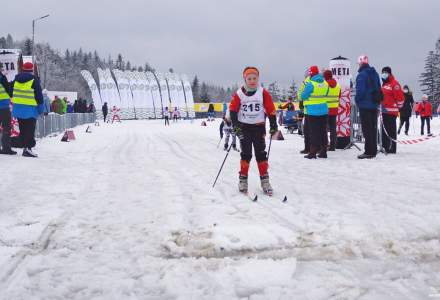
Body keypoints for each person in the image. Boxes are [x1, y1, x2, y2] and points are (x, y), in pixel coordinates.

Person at [230, 66, 277, 195]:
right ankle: (243, 180)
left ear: (258, 78)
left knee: (261, 154)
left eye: (254, 78)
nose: (252, 81)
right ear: (245, 79)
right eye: (249, 78)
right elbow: (233, 110)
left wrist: (273, 125)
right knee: (246, 154)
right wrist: (236, 125)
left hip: (258, 127)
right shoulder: (239, 94)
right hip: (244, 127)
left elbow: (271, 109)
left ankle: (265, 181)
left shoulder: (263, 92)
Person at [12, 62, 44, 157]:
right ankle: (28, 149)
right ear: (32, 70)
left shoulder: (16, 79)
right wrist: (41, 109)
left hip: (18, 109)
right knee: (30, 130)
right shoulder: (34, 80)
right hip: (30, 109)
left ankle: (25, 148)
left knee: (23, 130)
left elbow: (11, 91)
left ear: (23, 68)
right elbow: (39, 96)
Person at [355, 55, 381, 159]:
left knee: (367, 129)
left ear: (360, 64)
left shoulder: (362, 75)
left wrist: (357, 100)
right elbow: (379, 88)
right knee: (373, 128)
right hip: (374, 104)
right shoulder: (375, 74)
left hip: (365, 105)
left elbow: (360, 91)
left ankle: (368, 151)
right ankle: (373, 150)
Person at [300, 66, 329, 159]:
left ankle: (313, 152)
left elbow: (303, 96)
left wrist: (306, 97)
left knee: (313, 132)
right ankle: (323, 151)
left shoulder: (310, 84)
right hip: (324, 111)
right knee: (323, 131)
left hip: (312, 112)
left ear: (311, 73)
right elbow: (326, 94)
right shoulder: (325, 83)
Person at [380, 66, 404, 154]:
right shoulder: (385, 84)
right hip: (384, 111)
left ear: (389, 73)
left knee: (391, 131)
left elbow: (400, 98)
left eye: (385, 72)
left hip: (391, 112)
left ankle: (392, 148)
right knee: (384, 131)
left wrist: (397, 107)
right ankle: (385, 147)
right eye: (383, 72)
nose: (384, 74)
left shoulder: (394, 84)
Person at [323, 69, 341, 151]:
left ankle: (326, 144)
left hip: (325, 109)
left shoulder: (325, 85)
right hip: (334, 109)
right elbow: (339, 96)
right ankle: (333, 146)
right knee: (333, 128)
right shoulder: (338, 86)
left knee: (324, 129)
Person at [0, 67, 16, 155]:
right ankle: (6, 148)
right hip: (3, 106)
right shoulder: (2, 78)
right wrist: (12, 83)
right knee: (6, 127)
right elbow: (9, 91)